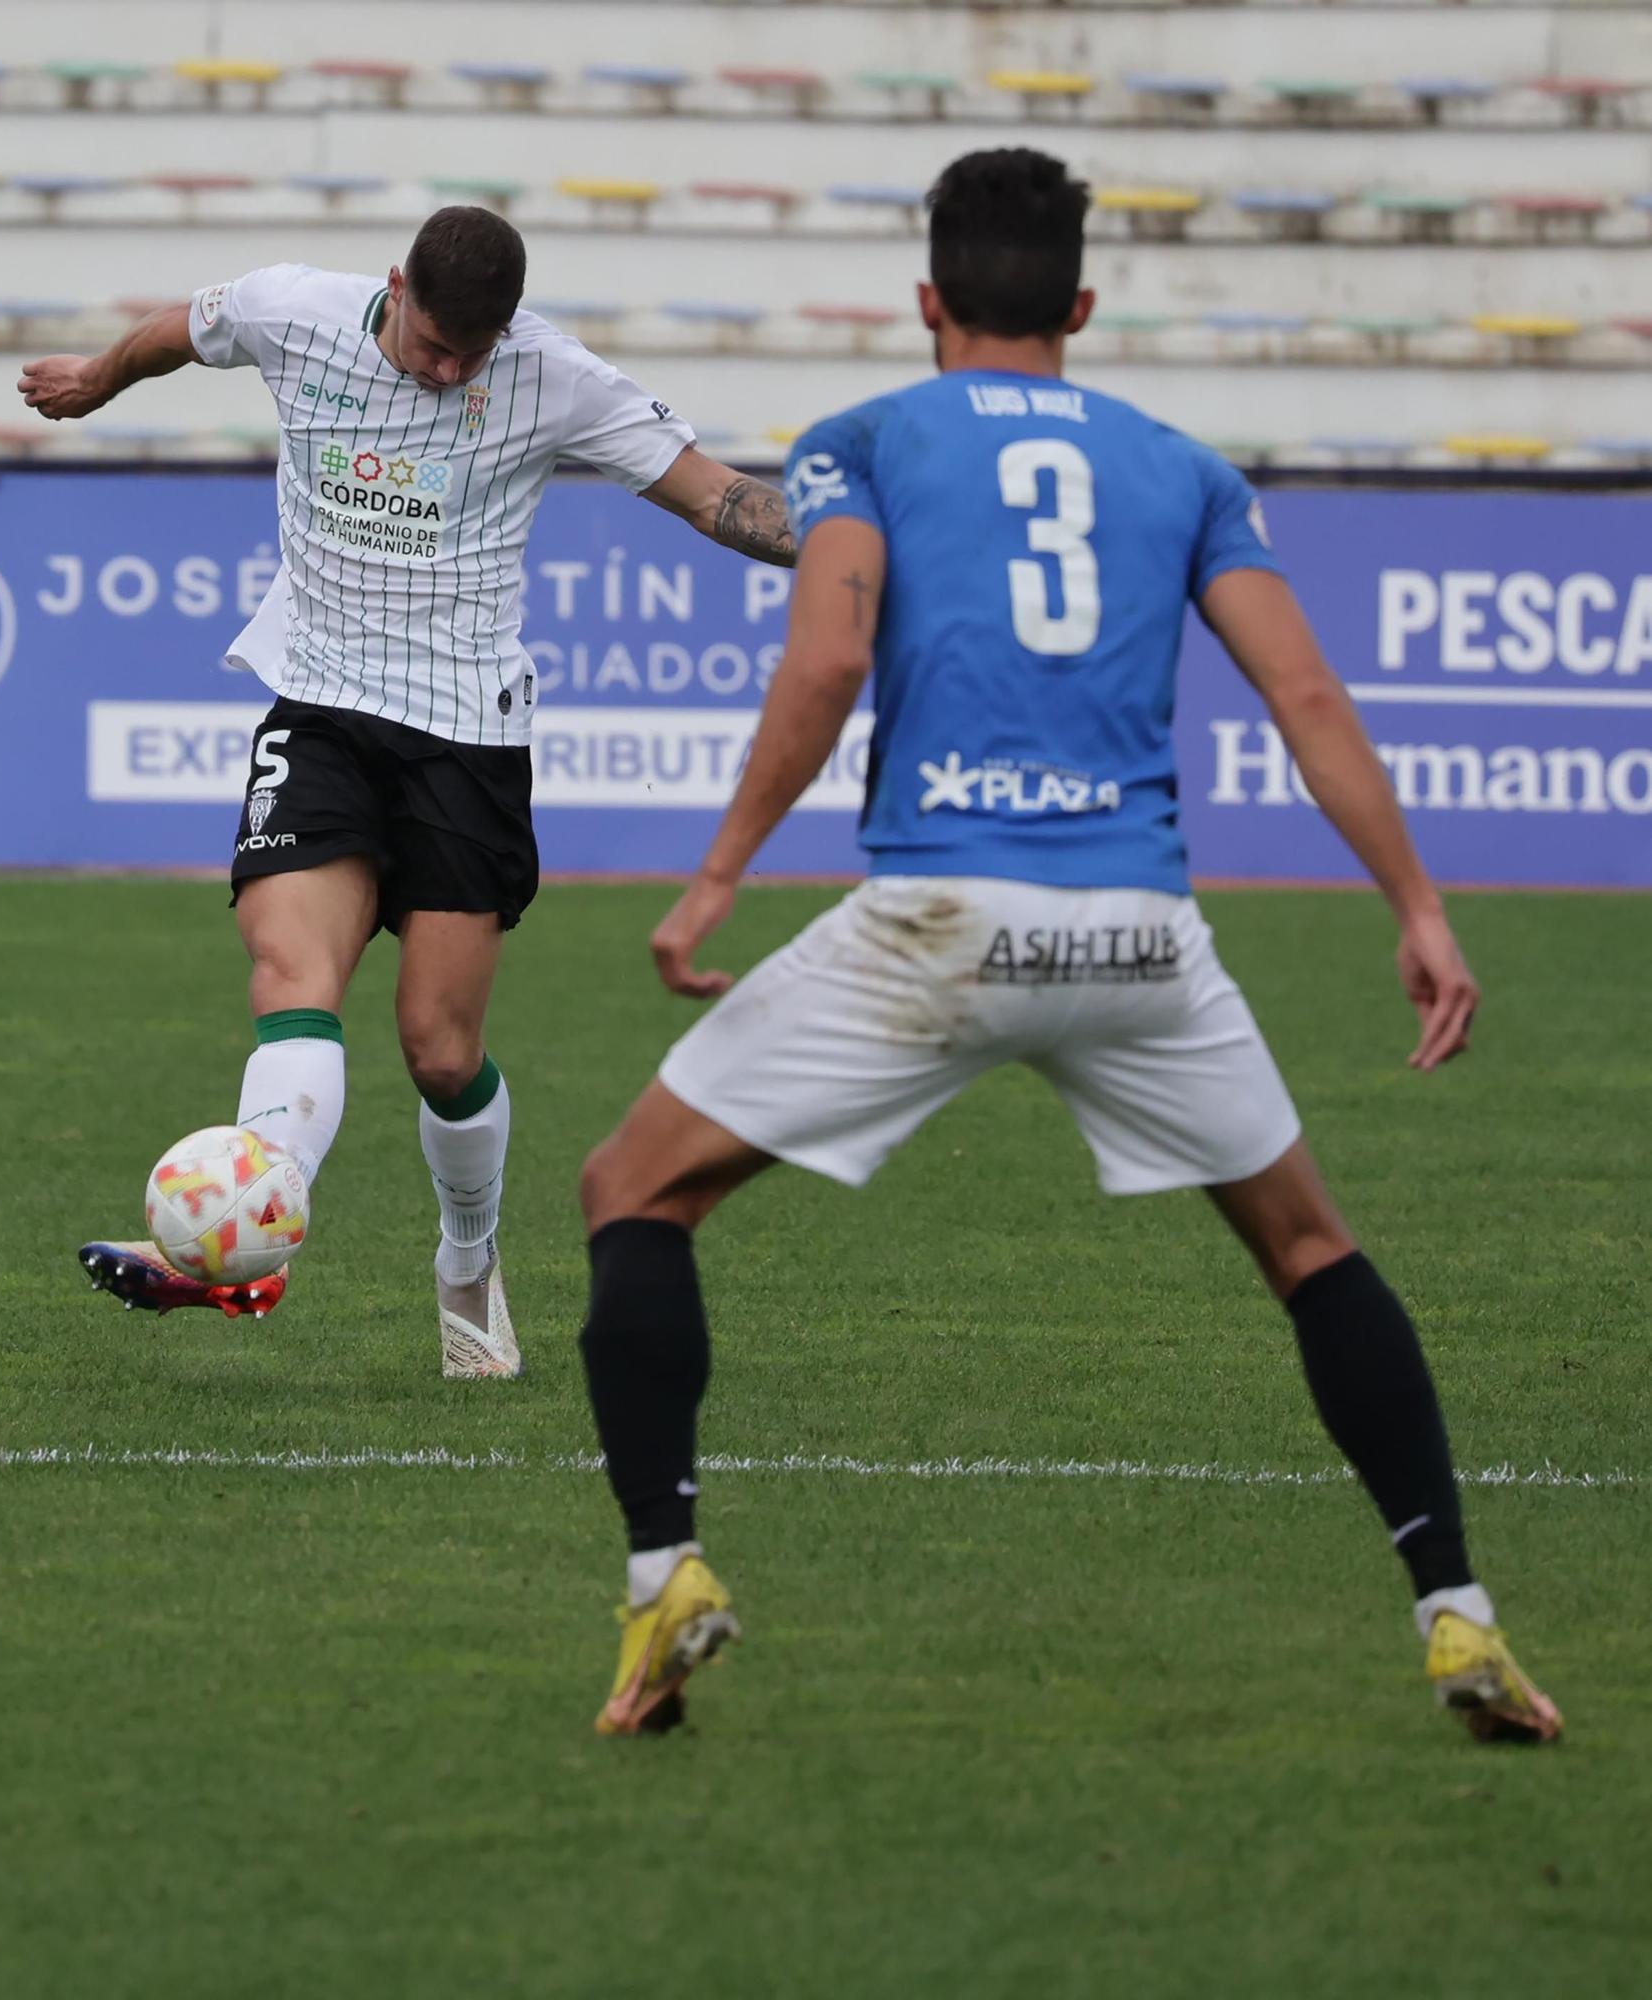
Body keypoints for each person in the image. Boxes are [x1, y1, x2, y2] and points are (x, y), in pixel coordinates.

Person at [573, 148, 1562, 1742]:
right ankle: (1457, 1617)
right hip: (1135, 933)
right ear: (1082, 304)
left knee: (633, 1189)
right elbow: (1306, 702)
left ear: (925, 299)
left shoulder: (868, 440)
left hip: (937, 917)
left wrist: (715, 881)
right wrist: (1418, 909)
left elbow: (825, 658)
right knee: (1310, 1250)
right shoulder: (1177, 464)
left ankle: (663, 1580)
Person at [17, 205, 795, 1379]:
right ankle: (243, 1236)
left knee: (438, 1050)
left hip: (464, 737)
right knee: (291, 973)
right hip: (320, 706)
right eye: (432, 345)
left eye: (470, 355)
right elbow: (184, 327)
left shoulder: (552, 374)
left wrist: (866, 542)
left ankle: (468, 1260)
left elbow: (716, 496)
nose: (447, 371)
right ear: (394, 287)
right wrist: (97, 377)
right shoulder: (297, 310)